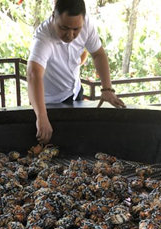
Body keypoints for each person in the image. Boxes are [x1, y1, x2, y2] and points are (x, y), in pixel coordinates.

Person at [27, 0, 125, 144]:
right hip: (49, 102)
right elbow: (33, 73)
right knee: (52, 146)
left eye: (76, 29)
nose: (70, 35)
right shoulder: (43, 37)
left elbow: (98, 54)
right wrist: (41, 116)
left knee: (77, 142)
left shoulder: (87, 25)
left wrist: (107, 89)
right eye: (64, 28)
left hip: (75, 92)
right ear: (54, 16)